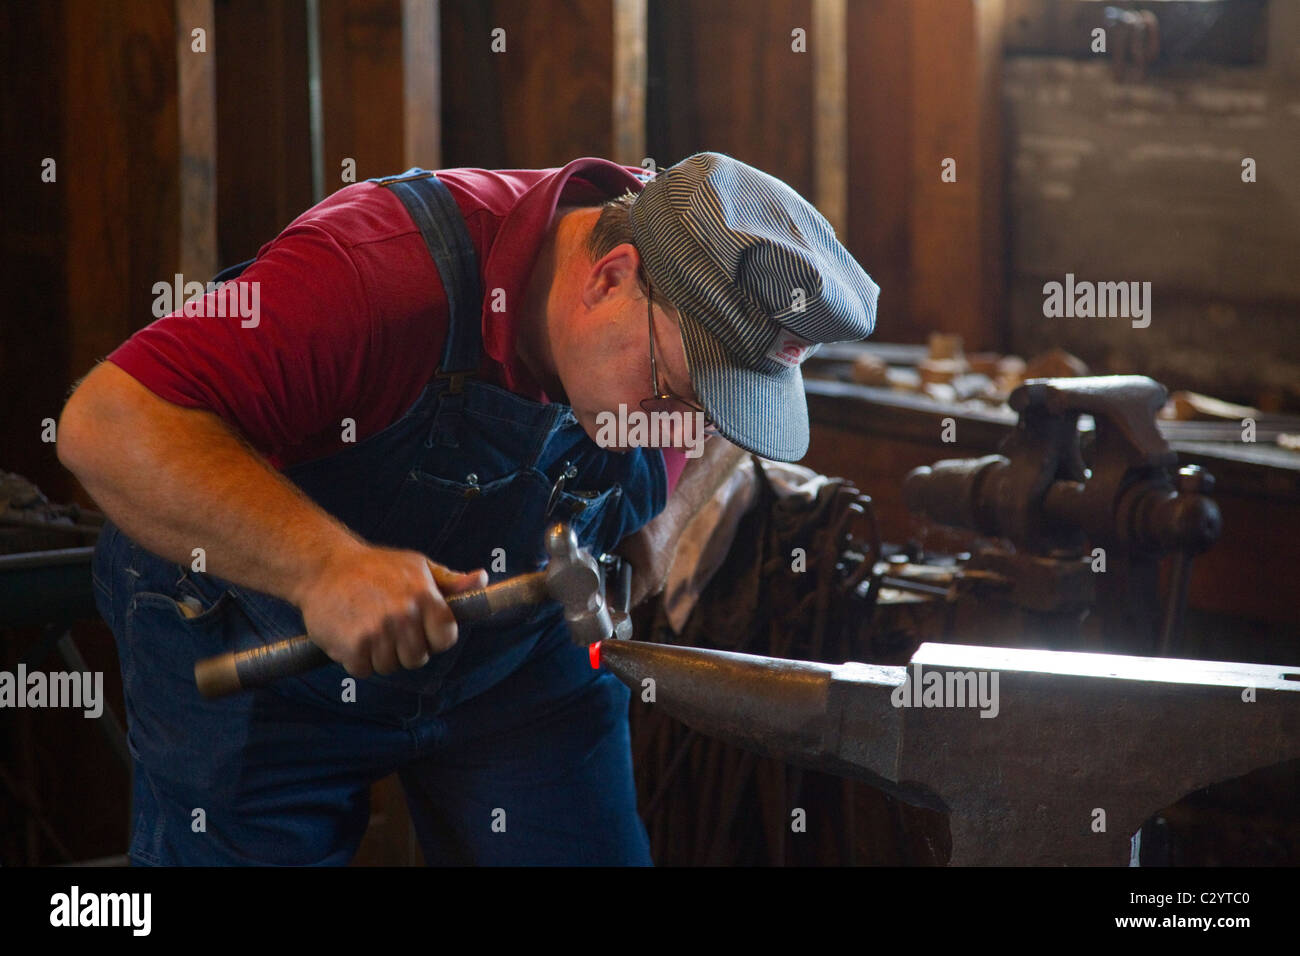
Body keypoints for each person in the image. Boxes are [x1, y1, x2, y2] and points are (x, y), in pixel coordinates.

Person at [56, 151, 879, 865]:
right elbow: (105, 423)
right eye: (676, 393)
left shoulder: (692, 255)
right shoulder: (373, 268)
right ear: (609, 276)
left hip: (517, 664)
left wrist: (657, 528)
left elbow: (729, 429)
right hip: (257, 642)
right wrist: (325, 567)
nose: (685, 430)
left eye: (719, 408)